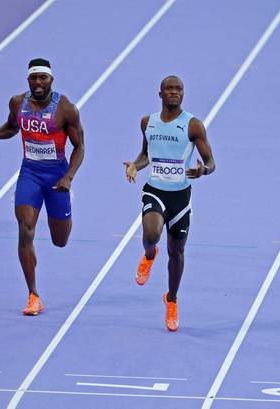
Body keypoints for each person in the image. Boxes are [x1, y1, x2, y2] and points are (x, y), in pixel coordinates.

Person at [0, 58, 84, 315]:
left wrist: (68, 177)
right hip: (30, 174)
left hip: (57, 178)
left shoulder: (66, 108)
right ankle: (33, 295)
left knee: (60, 240)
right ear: (28, 80)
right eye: (34, 78)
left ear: (51, 80)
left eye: (43, 78)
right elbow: (12, 128)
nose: (38, 82)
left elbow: (80, 147)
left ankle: (64, 211)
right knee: (25, 230)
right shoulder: (18, 103)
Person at [123, 75, 215, 332]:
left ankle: (171, 299)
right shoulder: (147, 123)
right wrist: (134, 165)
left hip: (181, 198)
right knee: (151, 234)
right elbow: (145, 155)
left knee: (176, 253)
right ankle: (149, 254)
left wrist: (203, 171)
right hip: (154, 190)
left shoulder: (193, 125)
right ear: (160, 94)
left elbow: (211, 162)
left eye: (179, 89)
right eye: (169, 89)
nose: (174, 92)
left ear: (183, 94)